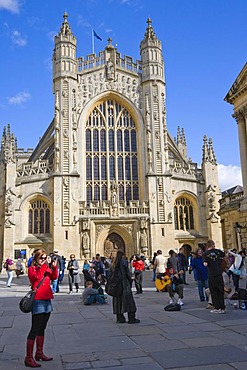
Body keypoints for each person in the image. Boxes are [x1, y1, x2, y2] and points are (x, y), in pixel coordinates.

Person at [24, 248, 58, 367]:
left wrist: (54, 267)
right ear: (36, 258)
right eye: (41, 258)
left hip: (46, 300)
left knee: (42, 327)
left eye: (45, 258)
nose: (44, 260)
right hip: (38, 301)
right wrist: (45, 266)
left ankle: (39, 353)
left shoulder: (45, 268)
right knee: (35, 329)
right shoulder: (32, 269)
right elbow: (37, 278)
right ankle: (28, 357)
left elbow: (54, 277)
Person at [110, 250, 140, 324]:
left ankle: (120, 318)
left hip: (116, 286)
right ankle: (131, 318)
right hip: (124, 284)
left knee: (118, 302)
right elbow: (127, 274)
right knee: (129, 302)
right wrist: (130, 282)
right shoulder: (124, 262)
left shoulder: (113, 263)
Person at [203, 239, 225, 314]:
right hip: (219, 274)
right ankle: (222, 307)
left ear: (207, 246)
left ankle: (217, 307)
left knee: (214, 291)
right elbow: (224, 255)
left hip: (212, 274)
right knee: (220, 291)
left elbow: (205, 264)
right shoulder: (218, 252)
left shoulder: (206, 253)